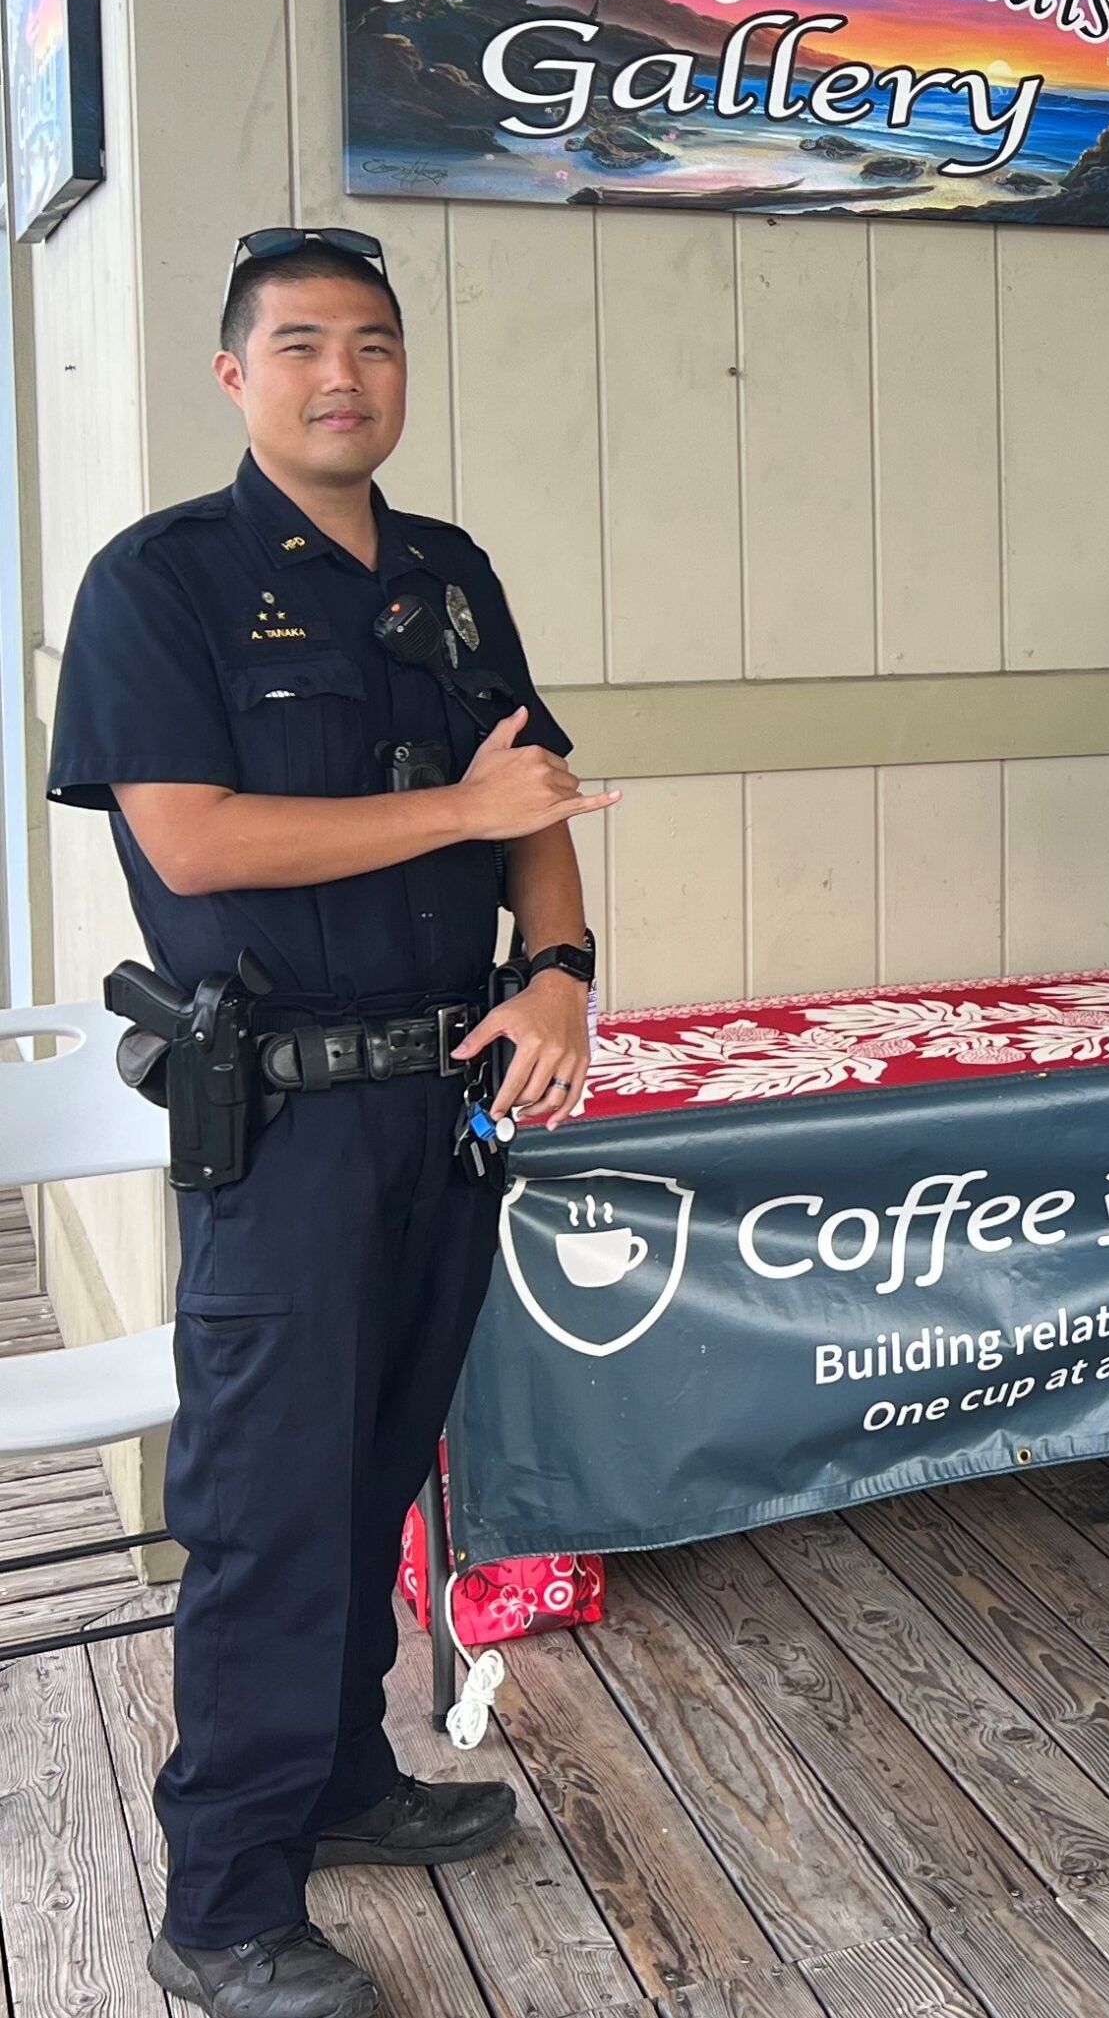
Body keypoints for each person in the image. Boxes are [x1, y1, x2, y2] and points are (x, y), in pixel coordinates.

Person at [48, 228, 619, 2017]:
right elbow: (199, 841)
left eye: (372, 342)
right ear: (236, 375)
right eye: (300, 344)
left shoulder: (449, 579)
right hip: (283, 1126)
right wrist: (452, 807)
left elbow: (531, 793)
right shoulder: (165, 581)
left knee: (375, 1478)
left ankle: (343, 1781)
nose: (342, 374)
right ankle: (222, 1901)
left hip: (444, 1107)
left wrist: (564, 969)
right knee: (269, 1513)